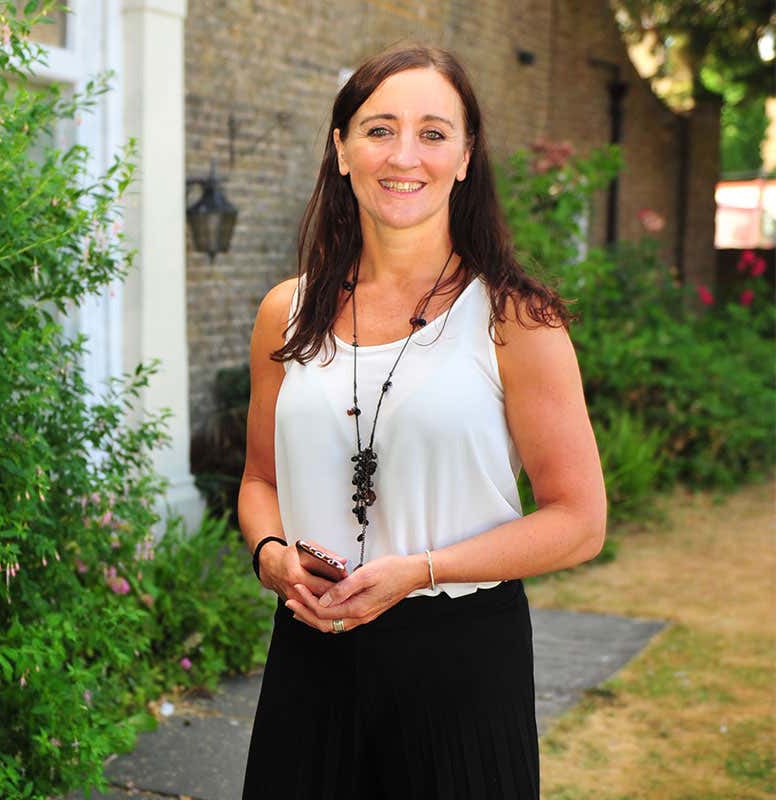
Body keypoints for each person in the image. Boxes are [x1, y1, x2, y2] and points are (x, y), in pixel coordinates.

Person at [238, 45, 607, 799]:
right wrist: (272, 558)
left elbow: (579, 520)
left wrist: (421, 571)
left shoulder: (515, 318)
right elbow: (258, 479)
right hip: (311, 655)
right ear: (341, 149)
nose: (404, 155)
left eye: (434, 133)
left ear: (466, 157)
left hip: (460, 665)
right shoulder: (288, 311)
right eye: (379, 129)